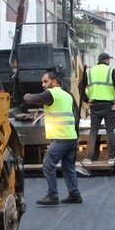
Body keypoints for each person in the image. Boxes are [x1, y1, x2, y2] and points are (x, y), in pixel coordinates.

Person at [24, 71, 83, 205]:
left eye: (46, 81)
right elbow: (74, 116)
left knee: (48, 165)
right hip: (70, 137)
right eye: (42, 82)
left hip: (61, 138)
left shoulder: (52, 93)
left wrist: (26, 94)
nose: (43, 85)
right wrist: (77, 135)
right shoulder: (67, 95)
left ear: (55, 82)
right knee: (68, 167)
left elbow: (29, 99)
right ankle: (75, 195)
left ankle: (52, 195)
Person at [83, 52, 115, 165]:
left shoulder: (90, 71)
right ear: (107, 60)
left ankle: (88, 158)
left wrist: (86, 99)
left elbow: (80, 86)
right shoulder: (110, 70)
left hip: (95, 105)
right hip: (109, 105)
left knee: (93, 131)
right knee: (110, 131)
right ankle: (110, 158)